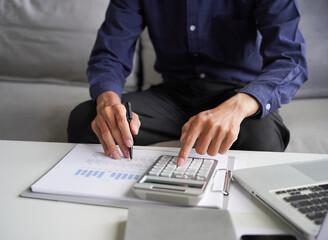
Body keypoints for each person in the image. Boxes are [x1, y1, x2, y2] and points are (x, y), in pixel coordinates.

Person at [68, 0, 307, 166]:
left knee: (262, 139)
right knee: (86, 120)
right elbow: (110, 53)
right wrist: (108, 102)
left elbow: (290, 60)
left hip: (236, 95)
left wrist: (237, 107)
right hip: (172, 97)